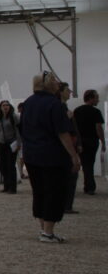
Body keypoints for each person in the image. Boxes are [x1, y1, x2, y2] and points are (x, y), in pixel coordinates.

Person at [19, 72, 81, 243]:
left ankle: (43, 229)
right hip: (52, 155)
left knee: (39, 191)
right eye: (54, 80)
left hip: (32, 154)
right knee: (55, 191)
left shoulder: (28, 102)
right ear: (47, 84)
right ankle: (48, 232)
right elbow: (62, 132)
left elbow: (23, 128)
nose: (57, 83)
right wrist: (74, 156)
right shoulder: (55, 104)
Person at [73, 89, 105, 195]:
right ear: (91, 98)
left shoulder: (77, 110)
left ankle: (88, 185)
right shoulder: (96, 112)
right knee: (89, 163)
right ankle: (90, 186)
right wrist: (103, 141)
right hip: (91, 141)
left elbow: (74, 127)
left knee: (84, 162)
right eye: (96, 98)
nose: (98, 100)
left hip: (80, 141)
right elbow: (98, 128)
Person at [58, 82, 80, 214]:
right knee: (70, 176)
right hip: (64, 148)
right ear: (60, 92)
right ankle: (66, 205)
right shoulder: (59, 107)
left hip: (69, 145)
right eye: (67, 90)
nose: (70, 92)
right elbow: (61, 129)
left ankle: (66, 204)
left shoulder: (63, 106)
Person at [0, 100, 20, 193]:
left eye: (7, 105)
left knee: (10, 165)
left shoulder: (14, 117)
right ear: (0, 107)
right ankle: (6, 185)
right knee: (1, 165)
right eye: (3, 105)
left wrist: (19, 143)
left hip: (11, 143)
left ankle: (12, 187)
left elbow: (17, 131)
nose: (5, 107)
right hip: (1, 143)